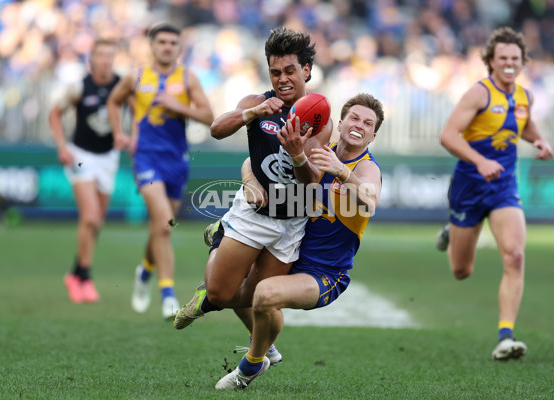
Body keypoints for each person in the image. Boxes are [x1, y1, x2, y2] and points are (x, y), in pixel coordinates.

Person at [209, 93, 384, 389]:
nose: (359, 125)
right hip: (289, 255)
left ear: (373, 135)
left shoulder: (366, 167)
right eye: (354, 118)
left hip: (324, 273)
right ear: (339, 124)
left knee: (263, 294)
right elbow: (254, 161)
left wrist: (341, 171)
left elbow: (370, 201)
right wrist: (250, 181)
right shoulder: (315, 153)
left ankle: (248, 368)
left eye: (368, 123)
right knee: (231, 284)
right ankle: (266, 345)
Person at [175, 26, 332, 327]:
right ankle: (221, 238)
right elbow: (217, 129)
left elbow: (311, 180)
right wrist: (254, 113)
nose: (282, 79)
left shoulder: (319, 119)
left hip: (291, 221)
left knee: (257, 294)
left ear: (307, 70)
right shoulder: (256, 102)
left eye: (290, 70)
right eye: (275, 72)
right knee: (220, 294)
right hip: (255, 213)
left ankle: (257, 353)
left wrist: (297, 151)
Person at [435, 27, 553, 360]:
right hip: (469, 187)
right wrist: (480, 160)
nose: (509, 63)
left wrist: (539, 141)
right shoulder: (478, 94)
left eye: (515, 58)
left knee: (515, 256)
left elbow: (524, 124)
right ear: (491, 61)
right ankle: (452, 230)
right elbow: (448, 135)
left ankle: (505, 336)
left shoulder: (524, 96)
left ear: (523, 61)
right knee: (462, 271)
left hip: (503, 188)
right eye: (503, 58)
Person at [107, 23, 214, 319]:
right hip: (146, 159)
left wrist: (180, 108)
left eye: (173, 42)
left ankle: (144, 270)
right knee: (165, 225)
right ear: (152, 46)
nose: (167, 47)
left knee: (159, 227)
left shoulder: (187, 78)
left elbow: (209, 117)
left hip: (176, 161)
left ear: (179, 48)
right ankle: (167, 293)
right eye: (162, 42)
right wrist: (119, 132)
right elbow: (114, 101)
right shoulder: (138, 76)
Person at [48, 39, 121, 303]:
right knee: (89, 217)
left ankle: (75, 274)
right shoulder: (79, 87)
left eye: (109, 55)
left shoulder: (121, 87)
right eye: (100, 55)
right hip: (80, 155)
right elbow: (54, 114)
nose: (104, 60)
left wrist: (130, 137)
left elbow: (138, 114)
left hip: (109, 157)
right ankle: (86, 276)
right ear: (91, 60)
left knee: (96, 222)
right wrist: (61, 146)